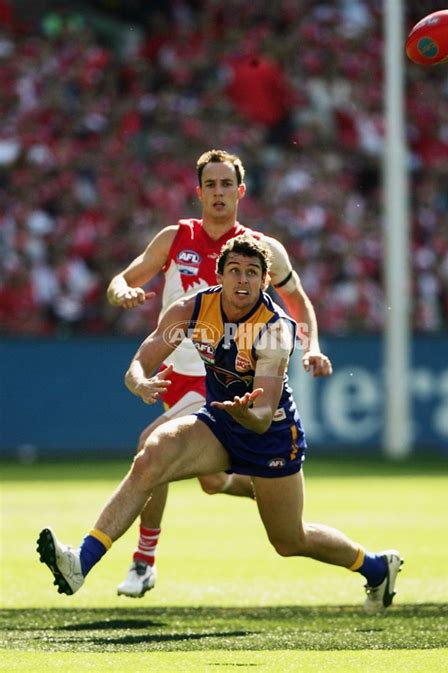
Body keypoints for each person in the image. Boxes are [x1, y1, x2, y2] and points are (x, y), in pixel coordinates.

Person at [37, 234, 403, 615]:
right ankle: (81, 562)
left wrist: (248, 413)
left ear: (265, 281)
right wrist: (139, 381)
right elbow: (142, 360)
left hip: (272, 438)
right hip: (220, 423)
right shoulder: (192, 308)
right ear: (220, 275)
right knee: (151, 455)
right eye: (234, 271)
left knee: (289, 540)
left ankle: (377, 567)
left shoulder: (275, 328)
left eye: (251, 273)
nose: (242, 280)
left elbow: (261, 417)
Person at [106, 149, 332, 598]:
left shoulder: (260, 250)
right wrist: (124, 292)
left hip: (222, 378)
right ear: (199, 192)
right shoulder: (175, 237)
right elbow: (122, 280)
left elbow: (298, 300)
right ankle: (269, 486)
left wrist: (312, 346)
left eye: (226, 184)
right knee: (211, 483)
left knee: (150, 448)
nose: (218, 192)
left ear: (240, 191)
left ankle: (142, 561)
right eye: (210, 185)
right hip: (174, 374)